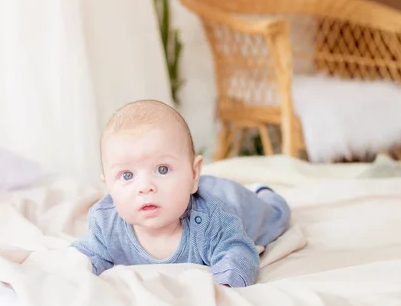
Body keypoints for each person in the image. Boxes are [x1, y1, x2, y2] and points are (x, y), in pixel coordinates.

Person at [70, 100, 291, 287]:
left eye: (162, 169)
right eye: (127, 175)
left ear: (194, 174)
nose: (145, 187)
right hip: (199, 191)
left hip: (233, 200)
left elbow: (238, 252)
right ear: (108, 186)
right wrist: (71, 273)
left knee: (275, 216)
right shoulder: (106, 224)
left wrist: (225, 285)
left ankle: (263, 191)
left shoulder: (212, 221)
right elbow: (84, 257)